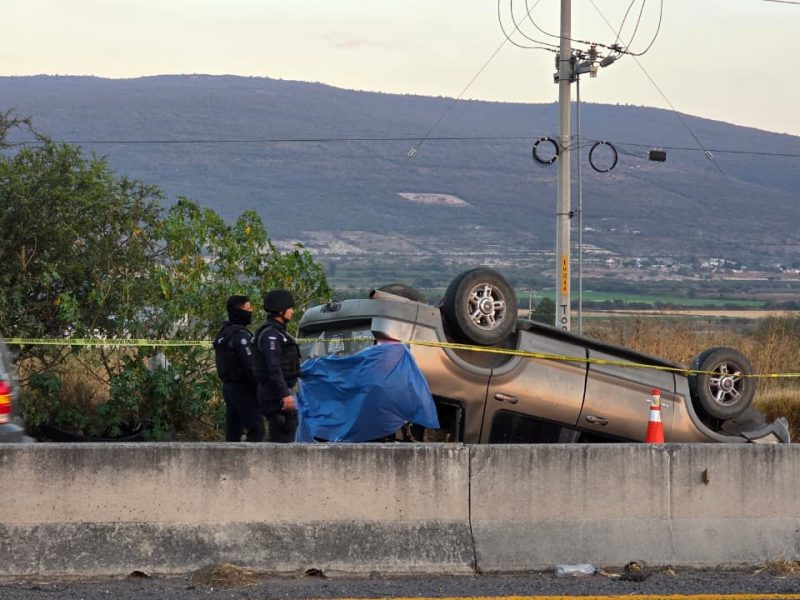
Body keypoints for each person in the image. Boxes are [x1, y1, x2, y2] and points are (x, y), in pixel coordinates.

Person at [213, 295, 264, 442]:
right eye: (248, 309)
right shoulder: (240, 335)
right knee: (256, 428)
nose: (251, 312)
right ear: (238, 311)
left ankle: (230, 463)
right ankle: (251, 463)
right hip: (242, 388)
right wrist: (258, 389)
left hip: (229, 388)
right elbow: (250, 365)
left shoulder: (224, 333)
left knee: (234, 431)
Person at [253, 289, 301, 442]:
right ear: (280, 310)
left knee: (287, 433)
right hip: (274, 395)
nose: (292, 312)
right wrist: (285, 395)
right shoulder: (271, 335)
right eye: (290, 308)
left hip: (279, 392)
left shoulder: (279, 333)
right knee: (282, 437)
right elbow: (274, 368)